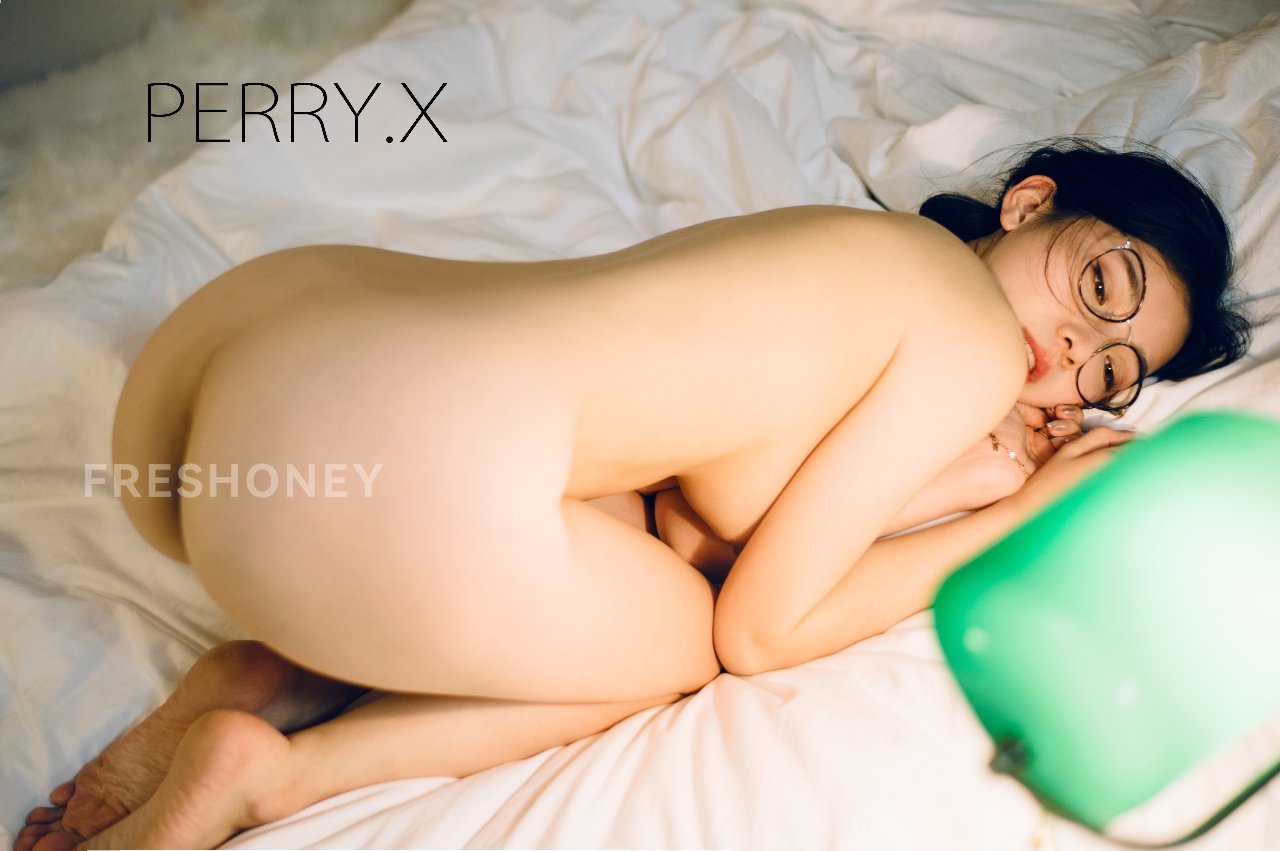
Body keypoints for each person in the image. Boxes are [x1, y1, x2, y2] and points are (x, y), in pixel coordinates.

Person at [17, 138, 1250, 851]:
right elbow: (759, 624)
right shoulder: (970, 343)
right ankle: (272, 770)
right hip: (360, 485)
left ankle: (264, 670)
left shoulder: (853, 249)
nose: (1066, 355)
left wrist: (966, 466)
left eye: (1108, 371)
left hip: (229, 382)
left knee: (615, 518)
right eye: (1099, 286)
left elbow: (697, 510)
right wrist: (1011, 511)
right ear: (1029, 203)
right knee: (678, 643)